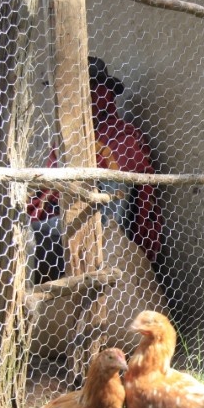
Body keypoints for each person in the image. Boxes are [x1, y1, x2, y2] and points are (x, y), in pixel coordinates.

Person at [28, 56, 162, 282]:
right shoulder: (63, 142)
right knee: (6, 235)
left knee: (35, 237)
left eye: (78, 93)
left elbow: (123, 200)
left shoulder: (123, 137)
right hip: (60, 226)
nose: (68, 101)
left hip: (105, 233)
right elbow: (44, 195)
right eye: (64, 94)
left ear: (101, 93)